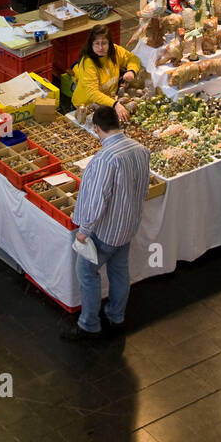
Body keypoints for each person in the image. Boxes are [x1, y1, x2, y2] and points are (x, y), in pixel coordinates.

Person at [62, 103, 149, 340]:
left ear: (97, 128)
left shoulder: (105, 159)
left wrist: (84, 231)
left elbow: (97, 200)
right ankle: (116, 317)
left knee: (87, 273)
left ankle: (89, 325)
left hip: (106, 232)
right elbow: (143, 188)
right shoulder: (141, 150)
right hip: (128, 226)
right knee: (120, 272)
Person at [72, 26, 141, 121]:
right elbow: (93, 93)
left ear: (109, 43)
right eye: (97, 43)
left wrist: (131, 71)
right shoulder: (88, 62)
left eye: (104, 43)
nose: (100, 47)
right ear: (91, 44)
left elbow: (132, 58)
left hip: (106, 102)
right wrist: (115, 104)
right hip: (86, 106)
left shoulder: (115, 51)